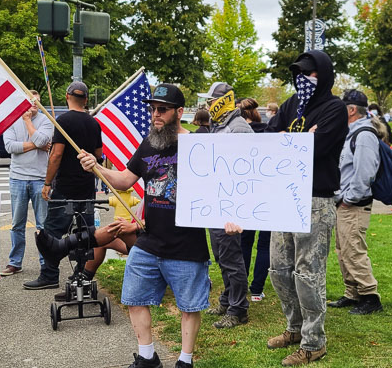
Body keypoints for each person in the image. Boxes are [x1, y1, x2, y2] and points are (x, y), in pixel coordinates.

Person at [78, 83, 242, 368]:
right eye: (153, 109)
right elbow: (124, 181)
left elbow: (224, 188)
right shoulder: (148, 143)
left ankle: (185, 360)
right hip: (150, 241)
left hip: (187, 245)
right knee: (133, 297)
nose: (156, 114)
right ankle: (147, 357)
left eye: (162, 110)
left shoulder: (201, 144)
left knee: (189, 307)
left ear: (179, 112)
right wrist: (96, 166)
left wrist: (230, 218)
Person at [265, 50, 348, 366]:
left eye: (310, 75)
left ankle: (314, 342)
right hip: (283, 196)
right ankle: (294, 328)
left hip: (315, 199)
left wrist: (293, 140)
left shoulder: (334, 109)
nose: (304, 81)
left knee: (308, 273)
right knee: (279, 270)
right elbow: (272, 140)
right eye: (299, 75)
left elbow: (313, 151)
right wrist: (297, 139)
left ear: (323, 75)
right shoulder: (290, 106)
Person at [23, 81, 102, 290]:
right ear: (85, 100)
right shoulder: (94, 124)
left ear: (67, 97)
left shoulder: (63, 121)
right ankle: (81, 275)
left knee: (52, 232)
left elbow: (56, 155)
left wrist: (48, 183)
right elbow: (98, 156)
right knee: (85, 232)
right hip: (86, 188)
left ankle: (49, 275)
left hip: (65, 188)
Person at [198, 82, 252, 329]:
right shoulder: (220, 126)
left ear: (223, 101)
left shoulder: (238, 128)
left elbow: (246, 169)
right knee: (220, 255)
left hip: (232, 204)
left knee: (231, 257)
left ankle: (238, 309)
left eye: (211, 101)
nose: (208, 105)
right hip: (216, 201)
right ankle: (227, 299)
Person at [328, 89, 385, 316]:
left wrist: (349, 199)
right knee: (343, 250)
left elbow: (365, 173)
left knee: (353, 250)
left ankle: (370, 296)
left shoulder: (364, 135)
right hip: (345, 202)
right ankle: (352, 293)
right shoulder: (353, 133)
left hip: (354, 204)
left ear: (351, 110)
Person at [0, 90, 54, 277]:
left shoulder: (46, 120)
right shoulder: (11, 120)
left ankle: (45, 262)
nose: (33, 105)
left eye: (36, 102)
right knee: (17, 223)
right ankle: (15, 262)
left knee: (43, 224)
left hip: (40, 177)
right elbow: (10, 147)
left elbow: (43, 139)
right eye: (30, 102)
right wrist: (37, 144)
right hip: (17, 177)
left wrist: (28, 122)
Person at [237, 97, 271, 302]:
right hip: (266, 193)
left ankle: (242, 286)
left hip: (245, 193)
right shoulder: (268, 131)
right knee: (264, 245)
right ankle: (257, 290)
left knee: (245, 242)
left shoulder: (236, 134)